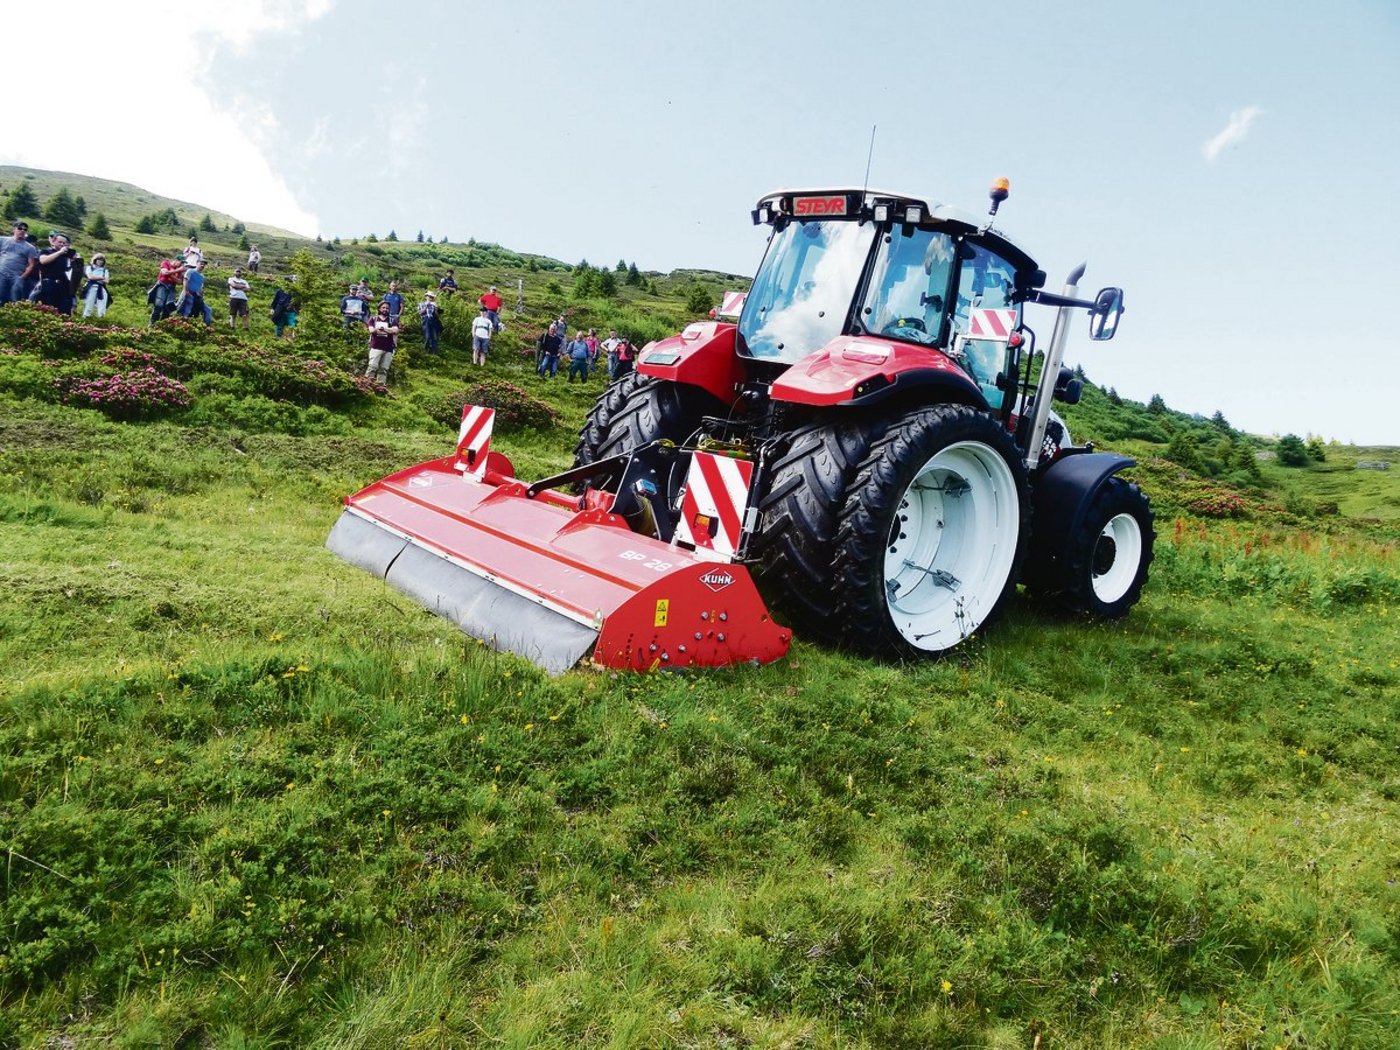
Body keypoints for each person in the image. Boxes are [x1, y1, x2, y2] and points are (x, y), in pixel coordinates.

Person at [37, 231, 80, 314]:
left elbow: (77, 270)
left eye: (64, 243)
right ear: (54, 242)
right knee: (48, 307)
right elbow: (43, 260)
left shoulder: (69, 255)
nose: (62, 244)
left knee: (65, 308)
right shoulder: (46, 251)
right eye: (60, 242)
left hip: (64, 284)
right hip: (49, 282)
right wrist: (60, 252)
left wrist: (76, 260)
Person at [0, 220, 39, 306]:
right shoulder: (2, 240)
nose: (22, 230)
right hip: (1, 273)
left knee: (14, 300)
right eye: (20, 228)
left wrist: (21, 277)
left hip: (16, 276)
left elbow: (31, 265)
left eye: (25, 229)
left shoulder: (30, 247)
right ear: (14, 229)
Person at [364, 301, 401, 384]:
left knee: (384, 369)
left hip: (388, 348)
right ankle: (367, 384)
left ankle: (380, 386)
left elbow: (395, 330)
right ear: (379, 308)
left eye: (387, 308)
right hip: (375, 346)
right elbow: (371, 330)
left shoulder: (392, 319)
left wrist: (383, 329)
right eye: (383, 307)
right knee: (372, 366)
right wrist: (387, 330)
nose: (385, 309)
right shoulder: (373, 319)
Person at [150, 257, 186, 324]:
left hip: (171, 288)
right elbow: (164, 273)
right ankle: (152, 323)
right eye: (181, 262)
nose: (182, 265)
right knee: (158, 305)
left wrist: (169, 274)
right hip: (162, 286)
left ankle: (162, 324)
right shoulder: (166, 263)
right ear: (176, 260)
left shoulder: (180, 271)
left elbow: (179, 282)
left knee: (168, 307)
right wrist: (177, 271)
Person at [179, 258, 213, 325]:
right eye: (201, 263)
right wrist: (186, 291)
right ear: (197, 263)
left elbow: (201, 287)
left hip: (197, 296)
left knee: (208, 310)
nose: (202, 265)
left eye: (204, 264)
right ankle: (184, 325)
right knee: (187, 311)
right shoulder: (190, 271)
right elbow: (185, 280)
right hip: (189, 294)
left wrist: (201, 295)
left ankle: (206, 327)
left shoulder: (202, 276)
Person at [80, 253, 111, 318]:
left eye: (102, 260)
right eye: (99, 259)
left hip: (101, 288)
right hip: (91, 287)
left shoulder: (105, 270)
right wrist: (101, 278)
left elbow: (106, 281)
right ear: (95, 260)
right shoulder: (89, 268)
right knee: (89, 302)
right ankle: (86, 317)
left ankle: (101, 317)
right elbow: (90, 277)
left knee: (102, 304)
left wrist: (96, 278)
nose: (100, 261)